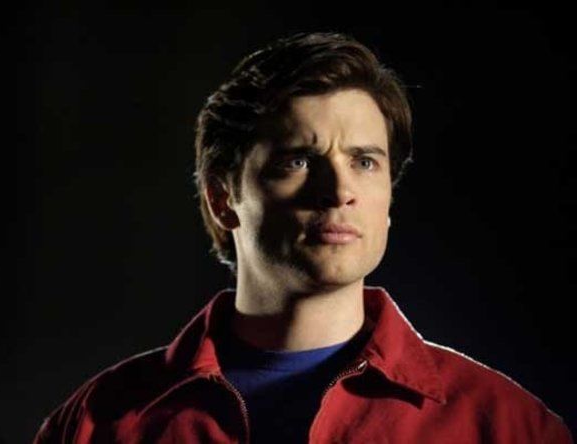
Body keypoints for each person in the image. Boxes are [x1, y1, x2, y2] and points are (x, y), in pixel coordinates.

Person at [34, 32, 572, 443]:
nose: (339, 191)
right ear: (223, 198)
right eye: (298, 160)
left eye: (365, 162)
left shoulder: (505, 425)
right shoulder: (98, 424)